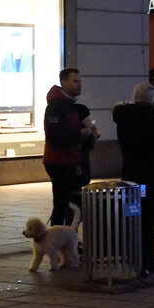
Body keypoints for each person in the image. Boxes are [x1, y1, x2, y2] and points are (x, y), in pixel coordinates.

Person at [112, 82, 154, 276]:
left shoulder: (122, 117)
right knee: (150, 218)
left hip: (131, 176)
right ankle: (146, 259)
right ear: (151, 99)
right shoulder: (152, 120)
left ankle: (132, 257)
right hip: (151, 176)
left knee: (132, 217)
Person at [43, 68, 98, 226]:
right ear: (64, 82)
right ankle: (57, 240)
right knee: (62, 204)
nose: (79, 85)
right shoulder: (56, 106)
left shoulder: (69, 105)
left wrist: (88, 135)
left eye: (80, 81)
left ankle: (66, 239)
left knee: (70, 202)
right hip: (59, 162)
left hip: (69, 160)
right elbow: (54, 136)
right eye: (75, 81)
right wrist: (80, 133)